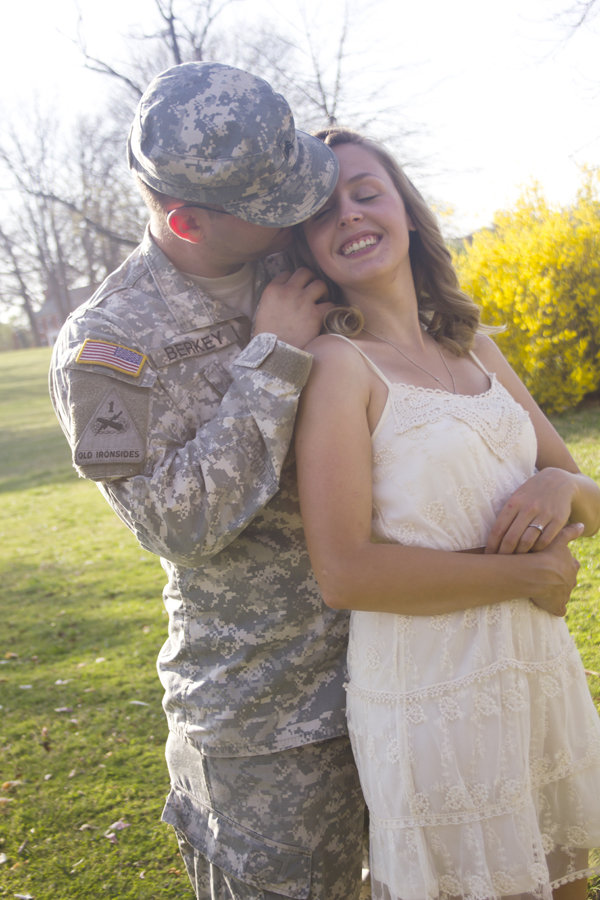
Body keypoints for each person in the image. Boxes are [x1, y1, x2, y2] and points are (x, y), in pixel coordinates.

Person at [49, 62, 371, 900]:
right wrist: (270, 363)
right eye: (274, 206)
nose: (305, 210)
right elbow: (174, 524)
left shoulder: (301, 256)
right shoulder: (109, 345)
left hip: (397, 665)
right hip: (268, 720)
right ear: (186, 219)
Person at [293, 127, 600, 900]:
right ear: (306, 248)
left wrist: (561, 489)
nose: (350, 215)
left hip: (537, 674)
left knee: (569, 882)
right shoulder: (339, 367)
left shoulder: (472, 347)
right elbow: (345, 572)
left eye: (365, 192)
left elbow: (580, 487)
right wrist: (531, 572)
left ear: (404, 209)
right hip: (436, 697)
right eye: (323, 210)